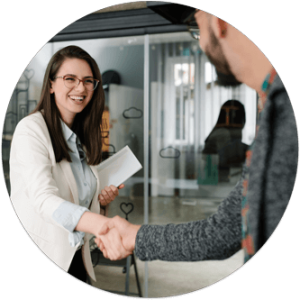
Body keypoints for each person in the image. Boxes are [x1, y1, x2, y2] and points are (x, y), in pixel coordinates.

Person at [94, 9, 298, 268]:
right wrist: (134, 236)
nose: (200, 42)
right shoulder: (273, 111)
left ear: (220, 23)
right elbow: (222, 234)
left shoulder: (283, 111)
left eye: (196, 28)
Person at [9, 45, 130, 283]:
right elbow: (44, 199)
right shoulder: (31, 129)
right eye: (70, 79)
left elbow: (78, 203)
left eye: (88, 81)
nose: (80, 87)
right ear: (51, 85)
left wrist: (101, 201)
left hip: (75, 258)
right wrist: (105, 225)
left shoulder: (81, 138)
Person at [202, 100, 249, 182]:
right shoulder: (222, 133)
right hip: (215, 182)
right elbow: (228, 157)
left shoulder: (224, 131)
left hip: (221, 180)